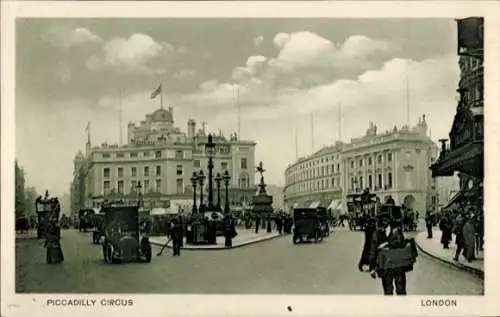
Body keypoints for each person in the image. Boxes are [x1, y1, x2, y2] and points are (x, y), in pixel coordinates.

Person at [369, 210, 414, 295]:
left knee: (401, 291)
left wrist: (387, 244)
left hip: (398, 266)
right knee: (388, 292)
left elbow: (401, 243)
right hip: (385, 267)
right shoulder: (376, 234)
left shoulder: (397, 231)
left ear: (389, 220)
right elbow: (373, 251)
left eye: (386, 220)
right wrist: (372, 268)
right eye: (382, 220)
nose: (384, 222)